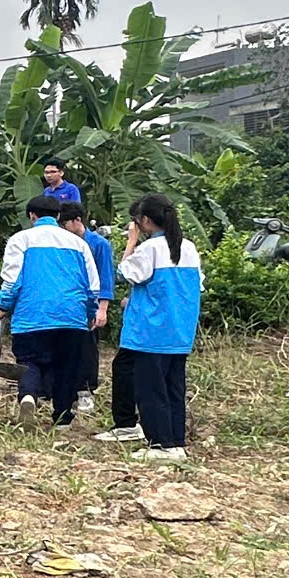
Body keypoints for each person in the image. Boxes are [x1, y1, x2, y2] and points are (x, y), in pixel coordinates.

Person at [96, 194, 203, 461]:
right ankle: (175, 442)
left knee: (150, 390)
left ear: (145, 220)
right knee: (173, 388)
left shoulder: (149, 249)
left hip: (151, 331)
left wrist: (131, 242)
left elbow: (123, 273)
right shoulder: (188, 247)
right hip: (179, 331)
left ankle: (160, 445)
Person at [0, 195, 101, 427]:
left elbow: (12, 280)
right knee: (66, 366)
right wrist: (89, 312)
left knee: (29, 362)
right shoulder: (78, 243)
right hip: (72, 317)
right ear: (58, 216)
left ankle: (28, 396)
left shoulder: (20, 239)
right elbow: (92, 286)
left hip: (31, 316)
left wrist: (4, 306)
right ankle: (62, 418)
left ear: (31, 216)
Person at [56, 204, 116, 416]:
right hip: (68, 305)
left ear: (77, 221)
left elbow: (106, 277)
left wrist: (102, 308)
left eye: (64, 224)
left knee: (88, 350)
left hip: (89, 304)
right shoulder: (63, 243)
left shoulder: (98, 244)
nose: (62, 228)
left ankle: (86, 391)